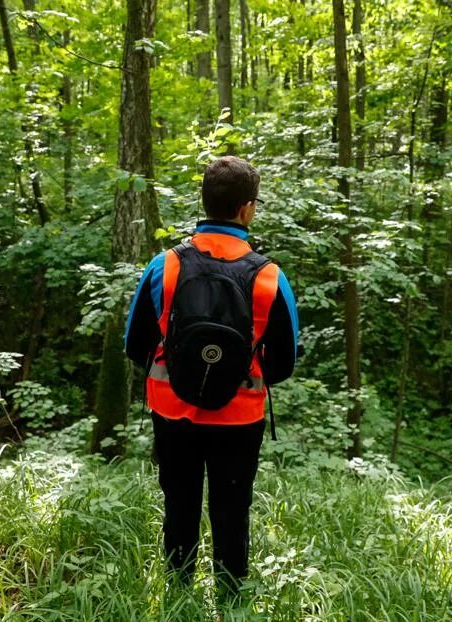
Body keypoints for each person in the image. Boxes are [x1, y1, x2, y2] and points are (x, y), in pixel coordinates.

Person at [123, 156, 300, 605]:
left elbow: (134, 344)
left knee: (179, 505)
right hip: (239, 420)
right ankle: (231, 603)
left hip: (172, 412)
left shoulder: (166, 265)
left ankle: (178, 598)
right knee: (231, 510)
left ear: (204, 201)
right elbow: (284, 362)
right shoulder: (268, 276)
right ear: (247, 209)